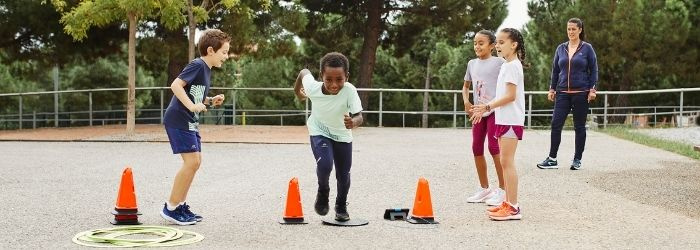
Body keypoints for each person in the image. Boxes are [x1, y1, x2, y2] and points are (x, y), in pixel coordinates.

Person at [160, 29, 230, 225]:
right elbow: (176, 85)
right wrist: (192, 106)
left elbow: (194, 94)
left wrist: (209, 100)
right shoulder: (198, 65)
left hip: (188, 120)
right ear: (210, 50)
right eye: (224, 52)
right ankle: (170, 207)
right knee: (191, 162)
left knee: (196, 162)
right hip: (178, 119)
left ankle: (180, 205)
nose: (226, 56)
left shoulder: (206, 70)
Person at [293, 52, 363, 222]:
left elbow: (359, 116)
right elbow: (303, 72)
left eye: (339, 79)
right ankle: (323, 192)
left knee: (343, 174)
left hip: (342, 135)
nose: (334, 84)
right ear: (321, 76)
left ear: (347, 76)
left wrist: (353, 122)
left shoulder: (349, 91)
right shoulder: (313, 87)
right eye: (328, 79)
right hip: (319, 131)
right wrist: (298, 92)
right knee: (325, 165)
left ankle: (341, 206)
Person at [471, 27, 527, 221]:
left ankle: (513, 207)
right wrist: (487, 108)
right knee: (504, 162)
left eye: (502, 43)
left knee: (507, 162)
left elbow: (510, 96)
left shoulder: (513, 66)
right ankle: (508, 203)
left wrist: (487, 106)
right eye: (498, 42)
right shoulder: (506, 65)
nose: (498, 46)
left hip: (511, 120)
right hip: (504, 119)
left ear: (514, 45)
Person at [537, 17, 598, 170]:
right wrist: (552, 88)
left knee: (579, 127)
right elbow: (555, 70)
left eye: (573, 29)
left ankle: (577, 159)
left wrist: (592, 89)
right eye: (568, 29)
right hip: (562, 92)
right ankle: (552, 159)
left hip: (581, 93)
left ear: (580, 30)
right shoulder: (560, 48)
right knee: (556, 124)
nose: (570, 31)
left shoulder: (587, 48)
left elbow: (594, 70)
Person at [462, 30, 506, 206]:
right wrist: (466, 101)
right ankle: (484, 189)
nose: (477, 46)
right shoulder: (471, 64)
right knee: (476, 147)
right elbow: (465, 87)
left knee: (494, 147)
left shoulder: (500, 63)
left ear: (492, 45)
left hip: (494, 110)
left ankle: (503, 190)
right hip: (478, 112)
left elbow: (507, 87)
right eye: (475, 43)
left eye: (481, 43)